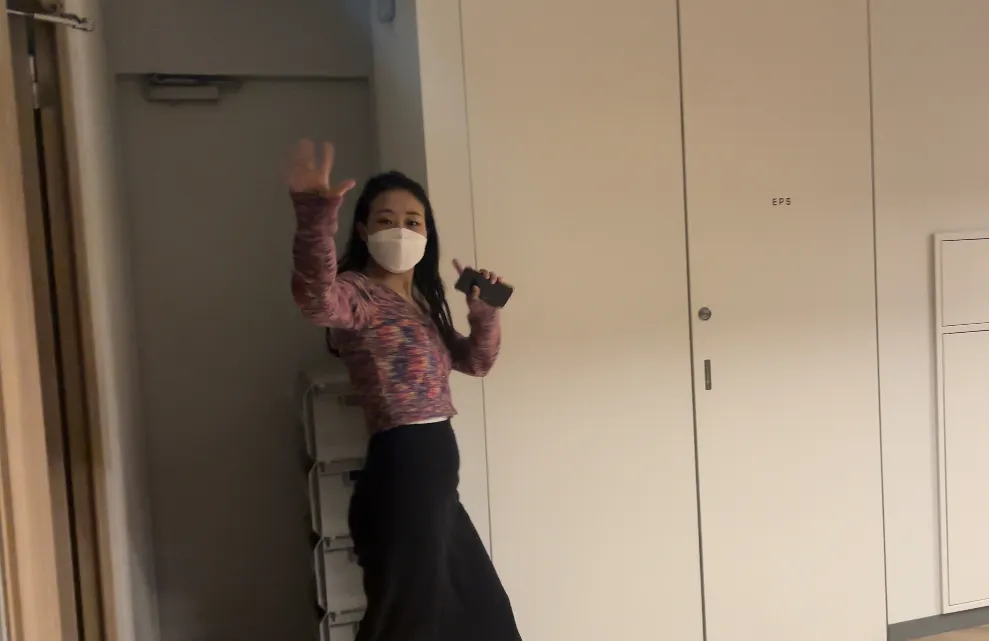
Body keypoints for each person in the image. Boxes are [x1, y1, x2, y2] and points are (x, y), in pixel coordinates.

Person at [287, 139, 523, 641]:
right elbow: (314, 297)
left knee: (481, 615)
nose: (401, 229)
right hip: (404, 468)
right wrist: (314, 215)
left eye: (413, 221)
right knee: (410, 624)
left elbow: (476, 362)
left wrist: (485, 317)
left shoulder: (420, 301)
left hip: (434, 473)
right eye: (386, 219)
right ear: (363, 229)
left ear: (426, 233)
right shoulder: (358, 294)